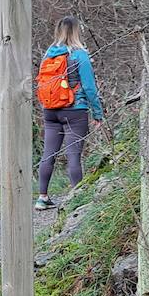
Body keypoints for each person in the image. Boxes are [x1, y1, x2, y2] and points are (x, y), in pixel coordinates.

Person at [35, 16, 103, 210]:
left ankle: (42, 197)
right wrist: (98, 113)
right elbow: (90, 87)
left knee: (48, 154)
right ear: (76, 31)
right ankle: (76, 199)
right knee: (74, 155)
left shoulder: (48, 54)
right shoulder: (79, 54)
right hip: (75, 111)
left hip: (50, 111)